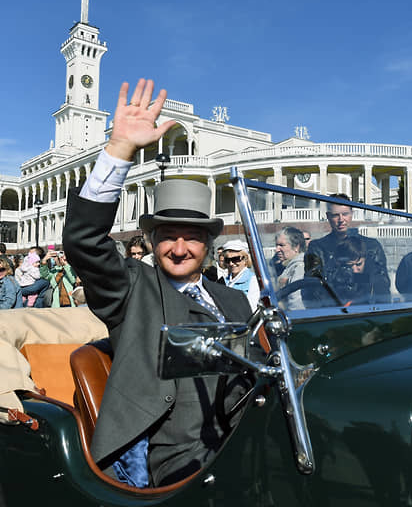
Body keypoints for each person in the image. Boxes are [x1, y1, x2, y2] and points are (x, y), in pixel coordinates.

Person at [63, 78, 253, 488]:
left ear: (208, 244)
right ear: (150, 240)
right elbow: (84, 243)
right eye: (168, 235)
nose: (180, 247)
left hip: (237, 439)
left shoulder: (235, 302)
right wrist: (120, 150)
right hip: (163, 454)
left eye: (193, 236)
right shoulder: (134, 288)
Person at [305, 194, 390, 298]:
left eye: (345, 214)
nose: (341, 219)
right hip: (331, 308)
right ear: (328, 216)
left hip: (366, 307)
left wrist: (349, 278)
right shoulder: (317, 247)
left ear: (352, 214)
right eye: (335, 215)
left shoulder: (372, 246)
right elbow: (312, 287)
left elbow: (382, 283)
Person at [332, 237, 392, 304]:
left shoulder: (377, 280)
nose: (355, 270)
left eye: (358, 264)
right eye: (349, 266)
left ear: (365, 260)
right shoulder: (334, 277)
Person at [274, 226, 306, 310]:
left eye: (281, 245)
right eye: (276, 245)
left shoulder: (299, 267)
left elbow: (296, 302)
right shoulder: (289, 267)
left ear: (296, 247)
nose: (277, 249)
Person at [222, 239, 260, 308]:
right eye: (228, 260)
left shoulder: (253, 280)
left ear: (245, 259)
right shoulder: (223, 281)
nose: (231, 264)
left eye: (235, 259)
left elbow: (251, 308)